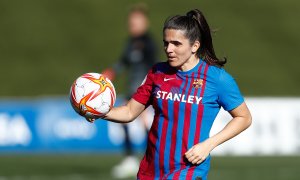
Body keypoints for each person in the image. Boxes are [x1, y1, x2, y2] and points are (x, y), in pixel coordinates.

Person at [91, 8, 252, 180]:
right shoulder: (157, 72)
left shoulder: (217, 79)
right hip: (150, 171)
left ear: (195, 46)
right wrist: (99, 111)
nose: (169, 49)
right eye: (166, 43)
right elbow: (129, 112)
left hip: (188, 171)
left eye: (176, 43)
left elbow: (244, 118)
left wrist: (208, 145)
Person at [101, 3, 158, 179]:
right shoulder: (131, 42)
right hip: (132, 89)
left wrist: (145, 90)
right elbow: (123, 61)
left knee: (146, 124)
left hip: (145, 91)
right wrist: (111, 73)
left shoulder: (149, 43)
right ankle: (130, 159)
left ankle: (154, 158)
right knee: (125, 122)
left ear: (144, 22)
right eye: (131, 21)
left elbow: (154, 68)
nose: (132, 24)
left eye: (136, 21)